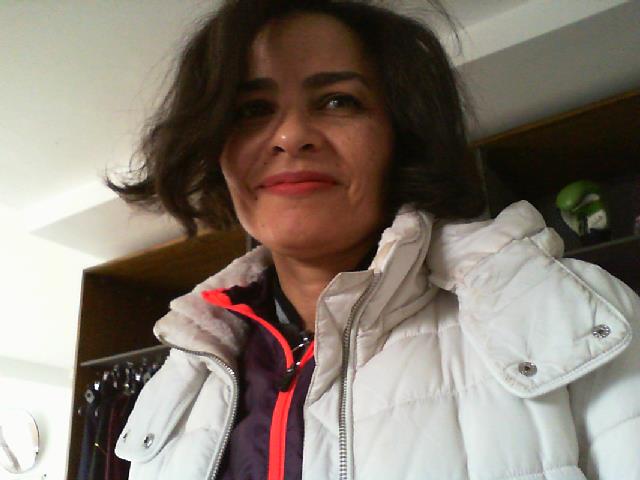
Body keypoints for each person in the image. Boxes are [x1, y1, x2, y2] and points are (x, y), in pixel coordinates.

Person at [107, 1, 640, 479]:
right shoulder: (175, 390)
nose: (291, 135)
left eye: (337, 101)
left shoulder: (575, 319)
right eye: (251, 110)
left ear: (398, 137)